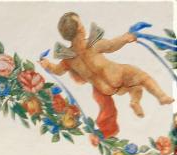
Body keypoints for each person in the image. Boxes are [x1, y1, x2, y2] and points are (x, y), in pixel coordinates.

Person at [43, 13, 173, 139]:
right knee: (143, 77)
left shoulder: (68, 59)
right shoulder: (93, 44)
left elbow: (57, 70)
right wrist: (126, 38)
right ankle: (161, 96)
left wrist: (48, 65)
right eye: (80, 23)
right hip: (118, 74)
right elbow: (112, 45)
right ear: (80, 28)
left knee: (136, 88)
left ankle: (135, 102)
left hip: (106, 89)